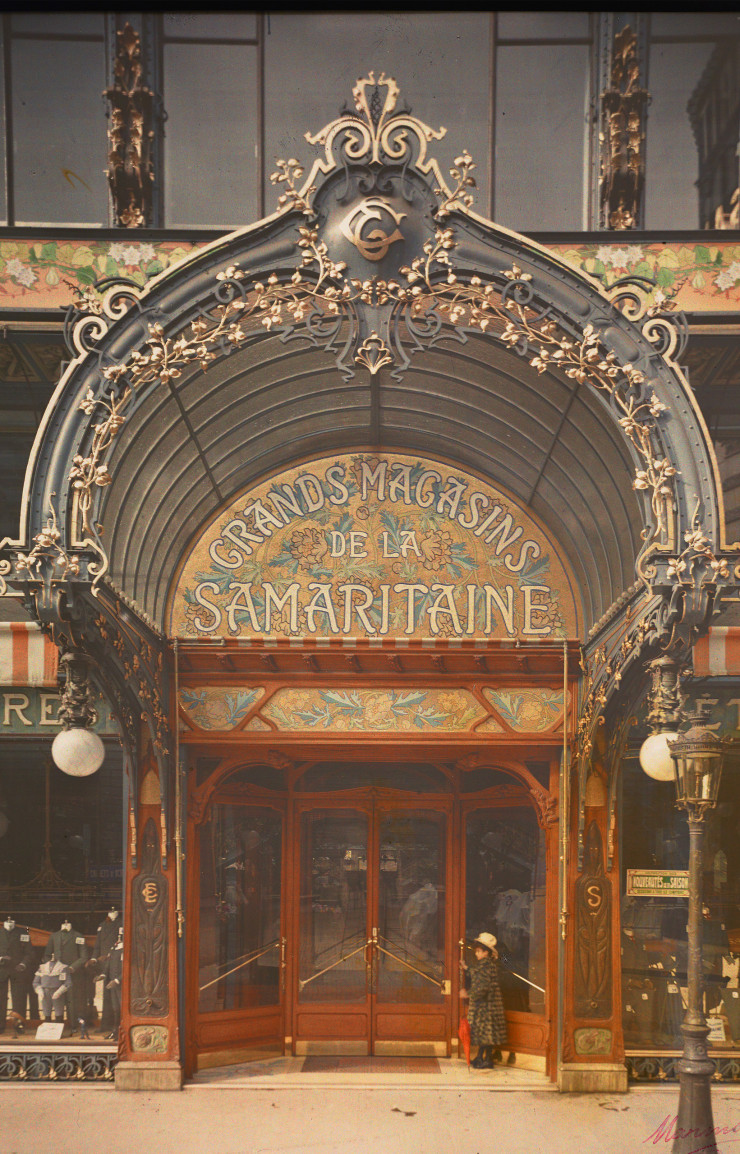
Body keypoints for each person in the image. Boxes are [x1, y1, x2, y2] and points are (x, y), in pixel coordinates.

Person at [460, 931, 507, 1069]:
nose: (476, 954)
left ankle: (488, 1059)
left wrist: (468, 994)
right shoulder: (485, 964)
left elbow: (483, 986)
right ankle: (481, 1057)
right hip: (487, 1006)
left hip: (487, 1007)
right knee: (484, 1035)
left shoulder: (485, 965)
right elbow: (476, 972)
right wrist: (466, 968)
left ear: (486, 952)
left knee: (486, 1035)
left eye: (479, 951)